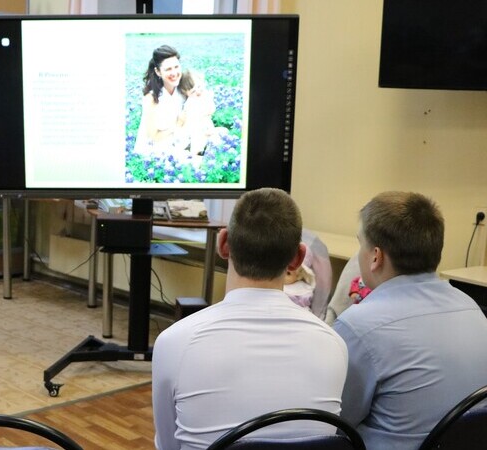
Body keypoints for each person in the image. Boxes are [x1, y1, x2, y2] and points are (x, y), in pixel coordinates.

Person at [152, 188, 348, 450]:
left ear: (223, 243)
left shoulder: (174, 343)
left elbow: (168, 445)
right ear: (298, 258)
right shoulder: (335, 345)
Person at [333, 191, 487, 450]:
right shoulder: (472, 309)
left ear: (376, 257)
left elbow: (333, 421)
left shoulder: (359, 327)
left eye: (361, 244)